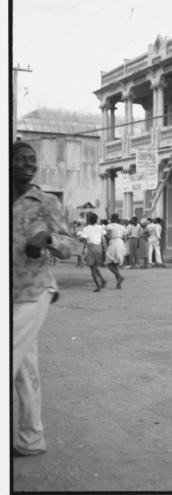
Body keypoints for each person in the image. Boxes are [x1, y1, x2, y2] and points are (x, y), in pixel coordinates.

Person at [12, 141, 78, 457]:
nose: (28, 163)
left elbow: (70, 245)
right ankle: (30, 439)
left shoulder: (44, 201)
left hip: (33, 292)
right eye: (20, 158)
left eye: (32, 159)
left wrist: (48, 237)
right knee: (24, 370)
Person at [78, 213, 108, 292]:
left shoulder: (86, 228)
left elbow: (82, 239)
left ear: (89, 220)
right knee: (94, 267)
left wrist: (79, 237)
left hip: (91, 248)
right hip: (99, 247)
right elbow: (105, 235)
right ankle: (102, 279)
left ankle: (98, 286)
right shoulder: (100, 227)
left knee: (92, 268)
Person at [104, 213, 127, 288]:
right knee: (115, 264)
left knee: (109, 263)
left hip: (113, 242)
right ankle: (118, 283)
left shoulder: (109, 226)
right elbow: (125, 236)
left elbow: (106, 234)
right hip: (121, 242)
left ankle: (119, 276)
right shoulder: (121, 227)